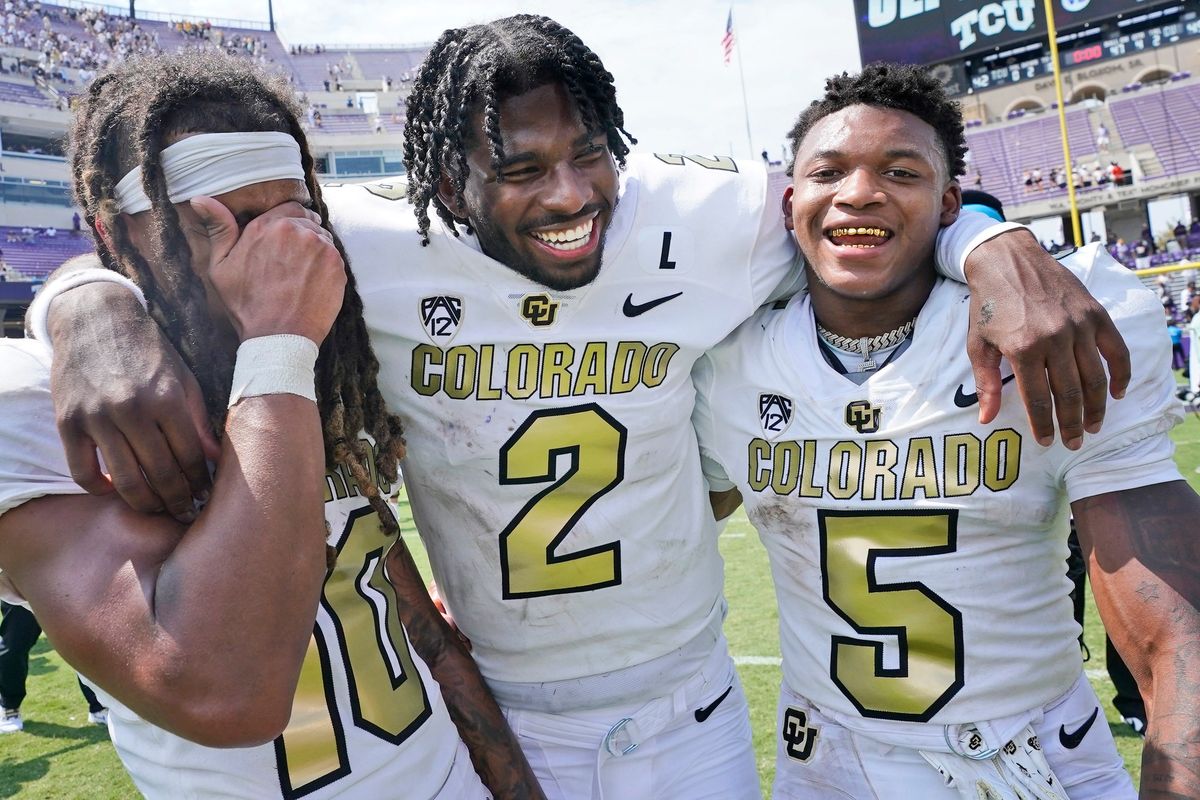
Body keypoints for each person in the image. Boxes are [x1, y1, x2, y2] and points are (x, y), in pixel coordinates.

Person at [30, 16, 1129, 799]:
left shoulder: (700, 217)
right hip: (511, 714)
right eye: (517, 167)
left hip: (692, 701)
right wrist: (84, 298)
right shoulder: (349, 250)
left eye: (588, 156)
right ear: (442, 182)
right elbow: (173, 250)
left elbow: (863, 196)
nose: (567, 194)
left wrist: (987, 228)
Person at [0, 52, 541, 800]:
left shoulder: (311, 372)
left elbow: (416, 625)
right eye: (224, 227)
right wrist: (272, 341)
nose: (277, 260)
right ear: (119, 236)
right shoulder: (31, 402)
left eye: (291, 220)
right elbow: (225, 692)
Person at [692, 63, 1200, 799]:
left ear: (949, 203)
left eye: (901, 171)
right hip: (827, 765)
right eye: (828, 170)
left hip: (1036, 759)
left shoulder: (1044, 332)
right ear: (790, 200)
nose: (860, 191)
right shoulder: (729, 359)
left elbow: (1175, 634)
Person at [0, 601, 108, 733]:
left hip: (61, 584)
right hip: (19, 590)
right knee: (13, 648)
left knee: (81, 641)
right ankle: (10, 706)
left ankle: (99, 706)